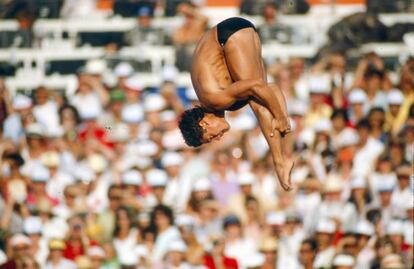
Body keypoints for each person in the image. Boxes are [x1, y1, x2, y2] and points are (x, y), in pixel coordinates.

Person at [178, 17, 293, 191]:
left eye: (211, 136)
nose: (218, 138)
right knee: (261, 101)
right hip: (232, 32)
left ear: (204, 123)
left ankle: (280, 163)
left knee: (258, 101)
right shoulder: (218, 101)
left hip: (228, 36)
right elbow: (273, 90)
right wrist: (281, 118)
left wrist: (282, 117)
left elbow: (257, 87)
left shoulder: (214, 100)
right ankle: (280, 161)